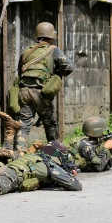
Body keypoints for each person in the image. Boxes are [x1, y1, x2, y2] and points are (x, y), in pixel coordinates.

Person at [14, 22, 74, 154]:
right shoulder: (53, 50)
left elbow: (20, 70)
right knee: (50, 123)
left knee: (23, 125)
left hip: (23, 91)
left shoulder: (27, 51)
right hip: (40, 93)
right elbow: (69, 67)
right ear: (51, 36)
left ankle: (19, 153)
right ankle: (55, 152)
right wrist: (56, 75)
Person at [0, 140, 81, 200]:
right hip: (9, 176)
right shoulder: (51, 165)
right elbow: (75, 186)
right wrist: (70, 174)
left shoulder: (34, 156)